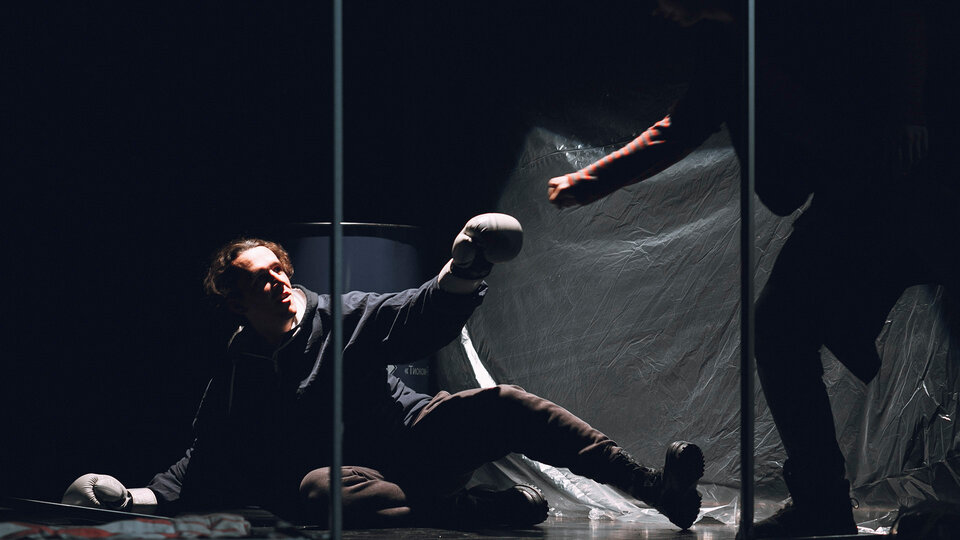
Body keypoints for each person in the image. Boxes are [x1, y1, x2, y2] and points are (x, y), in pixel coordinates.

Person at [547, 1, 957, 538]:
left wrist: (911, 110)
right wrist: (587, 182)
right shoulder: (725, 49)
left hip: (923, 170)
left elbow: (899, 15)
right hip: (855, 194)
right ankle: (822, 501)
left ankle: (823, 501)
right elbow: (681, 126)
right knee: (780, 328)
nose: (656, 9)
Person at [62, 213, 705, 531]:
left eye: (281, 269)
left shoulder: (341, 316)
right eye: (260, 279)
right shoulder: (238, 372)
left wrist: (462, 271)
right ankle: (474, 512)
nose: (279, 281)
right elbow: (206, 457)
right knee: (320, 492)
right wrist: (134, 496)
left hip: (415, 439)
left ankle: (658, 490)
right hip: (358, 484)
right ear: (236, 302)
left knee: (506, 403)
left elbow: (417, 315)